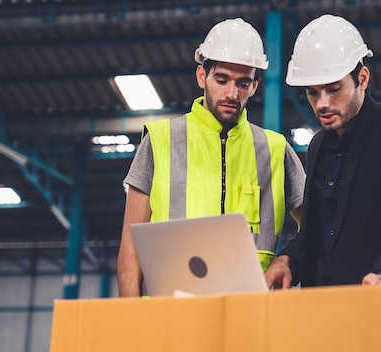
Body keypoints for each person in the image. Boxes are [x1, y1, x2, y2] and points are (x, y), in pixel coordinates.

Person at [117, 18, 306, 297]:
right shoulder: (159, 140)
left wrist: (287, 258)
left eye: (243, 83)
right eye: (222, 80)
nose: (232, 93)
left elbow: (316, 226)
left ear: (255, 85)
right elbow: (131, 246)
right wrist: (132, 318)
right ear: (201, 76)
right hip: (172, 315)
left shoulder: (276, 149)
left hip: (250, 314)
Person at [265, 14, 381, 289]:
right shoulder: (318, 145)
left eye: (334, 89)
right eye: (312, 93)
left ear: (362, 78)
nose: (322, 103)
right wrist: (288, 259)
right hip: (326, 307)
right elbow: (315, 231)